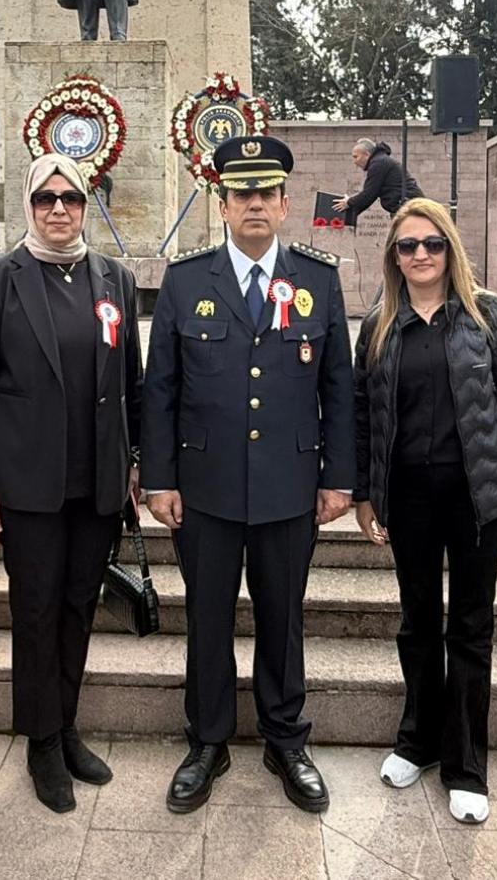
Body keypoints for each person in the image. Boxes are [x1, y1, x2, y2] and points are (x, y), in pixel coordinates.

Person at [141, 136, 356, 816]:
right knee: (207, 618)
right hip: (202, 488)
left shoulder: (319, 279)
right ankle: (206, 741)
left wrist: (338, 477)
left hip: (290, 487)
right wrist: (158, 478)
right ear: (224, 204)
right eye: (243, 194)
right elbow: (161, 390)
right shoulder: (186, 278)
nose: (255, 204)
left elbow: (339, 387)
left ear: (285, 204)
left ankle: (285, 738)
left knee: (282, 617)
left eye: (267, 194)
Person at [352, 196, 497, 825]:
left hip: (479, 497)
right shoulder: (379, 322)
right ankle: (418, 740)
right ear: (394, 255)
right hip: (408, 497)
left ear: (450, 249)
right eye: (407, 246)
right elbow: (364, 416)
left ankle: (465, 764)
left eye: (431, 244)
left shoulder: (486, 313)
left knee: (469, 627)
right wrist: (364, 493)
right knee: (417, 622)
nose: (420, 255)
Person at [0, 153, 143, 814]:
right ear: (30, 206)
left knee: (77, 607)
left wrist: (136, 460)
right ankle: (39, 739)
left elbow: (131, 382)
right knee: (35, 612)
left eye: (70, 197)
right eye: (45, 198)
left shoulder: (113, 278)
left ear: (86, 204)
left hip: (95, 483)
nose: (58, 208)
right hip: (26, 484)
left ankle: (65, 726)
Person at [334, 139, 423, 221]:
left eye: (356, 157)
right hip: (409, 207)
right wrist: (350, 209)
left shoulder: (378, 163)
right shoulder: (380, 160)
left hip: (409, 208)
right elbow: (370, 196)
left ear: (367, 154)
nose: (355, 162)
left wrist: (348, 203)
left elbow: (369, 194)